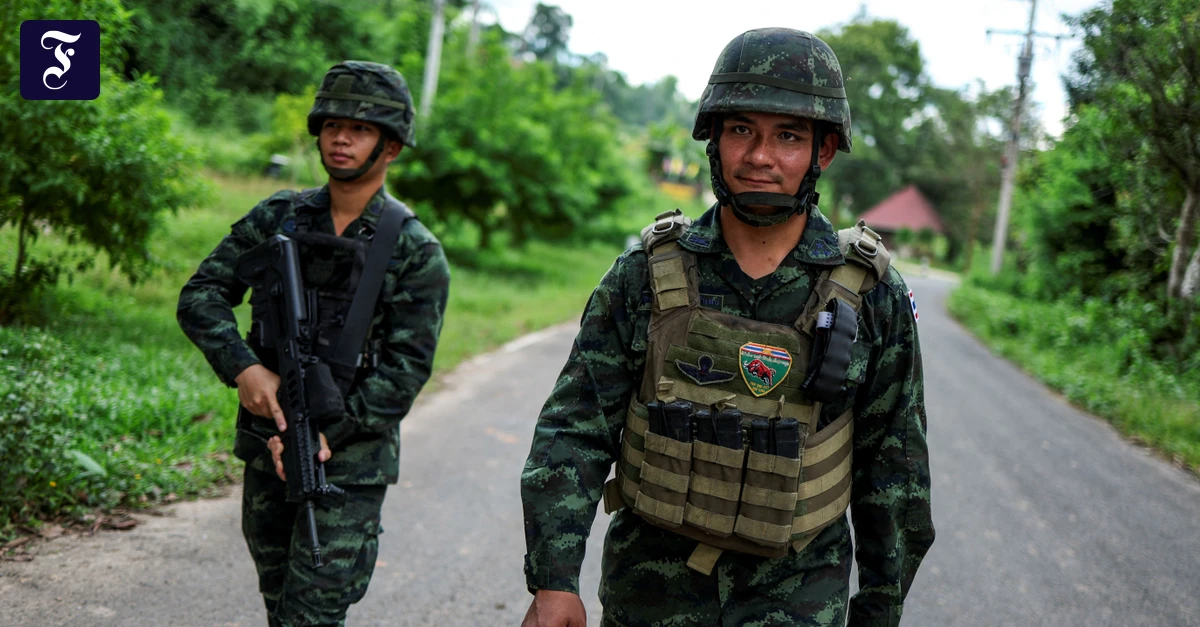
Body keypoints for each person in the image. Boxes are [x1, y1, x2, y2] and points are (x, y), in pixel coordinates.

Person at [520, 28, 934, 627]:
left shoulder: (872, 295)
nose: (760, 156)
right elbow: (575, 430)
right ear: (714, 140)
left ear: (822, 151)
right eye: (742, 130)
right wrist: (553, 581)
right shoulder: (644, 275)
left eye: (788, 136)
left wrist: (879, 611)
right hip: (649, 599)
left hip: (797, 602)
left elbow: (895, 474)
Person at [177, 61, 450, 627]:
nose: (341, 138)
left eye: (360, 129)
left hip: (348, 465)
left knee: (310, 616)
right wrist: (245, 368)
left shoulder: (415, 252)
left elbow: (404, 372)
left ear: (391, 146)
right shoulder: (278, 216)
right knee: (280, 604)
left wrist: (324, 435)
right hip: (266, 445)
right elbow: (201, 295)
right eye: (331, 125)